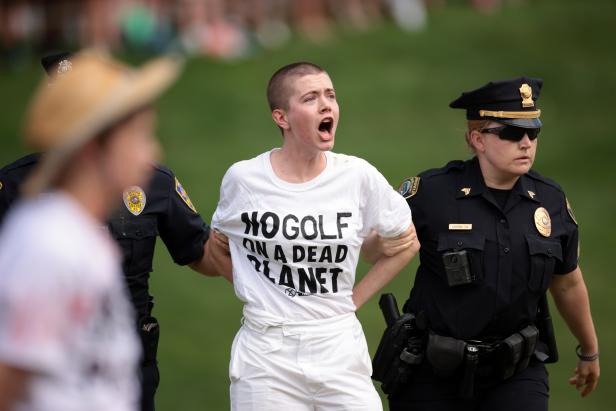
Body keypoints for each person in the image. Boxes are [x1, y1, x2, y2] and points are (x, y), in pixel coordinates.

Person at [0, 52, 231, 411]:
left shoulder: (78, 239)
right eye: (138, 136)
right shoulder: (48, 246)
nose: (153, 150)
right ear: (94, 149)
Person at [211, 61, 420, 410]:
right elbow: (218, 245)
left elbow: (406, 242)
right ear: (282, 117)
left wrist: (352, 301)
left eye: (331, 95)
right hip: (266, 355)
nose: (326, 105)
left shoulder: (357, 176)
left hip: (338, 347)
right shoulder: (244, 179)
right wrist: (259, 292)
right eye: (310, 98)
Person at [387, 77, 599, 410]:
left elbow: (568, 283)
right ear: (477, 139)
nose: (526, 142)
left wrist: (589, 350)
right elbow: (373, 242)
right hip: (432, 372)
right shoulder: (430, 192)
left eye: (533, 132)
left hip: (515, 372)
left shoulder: (550, 200)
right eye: (512, 133)